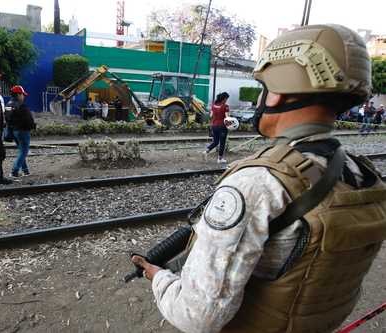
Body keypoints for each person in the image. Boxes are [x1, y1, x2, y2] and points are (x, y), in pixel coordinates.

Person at [131, 24, 386, 333]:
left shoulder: (257, 183)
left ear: (277, 93)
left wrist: (158, 277)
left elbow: (197, 315)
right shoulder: (363, 174)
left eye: (265, 86)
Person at [7, 85, 35, 178]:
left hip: (13, 131)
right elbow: (29, 120)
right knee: (24, 151)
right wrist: (32, 127)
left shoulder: (8, 104)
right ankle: (14, 171)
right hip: (23, 131)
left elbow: (6, 118)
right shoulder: (21, 105)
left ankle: (25, 171)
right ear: (18, 94)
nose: (24, 96)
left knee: (21, 151)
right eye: (23, 94)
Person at [204, 92, 230, 164]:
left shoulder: (214, 105)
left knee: (215, 142)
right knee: (222, 143)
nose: (226, 100)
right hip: (222, 126)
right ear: (224, 98)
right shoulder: (226, 106)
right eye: (226, 99)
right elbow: (227, 117)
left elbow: (211, 115)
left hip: (214, 126)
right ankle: (220, 159)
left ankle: (206, 151)